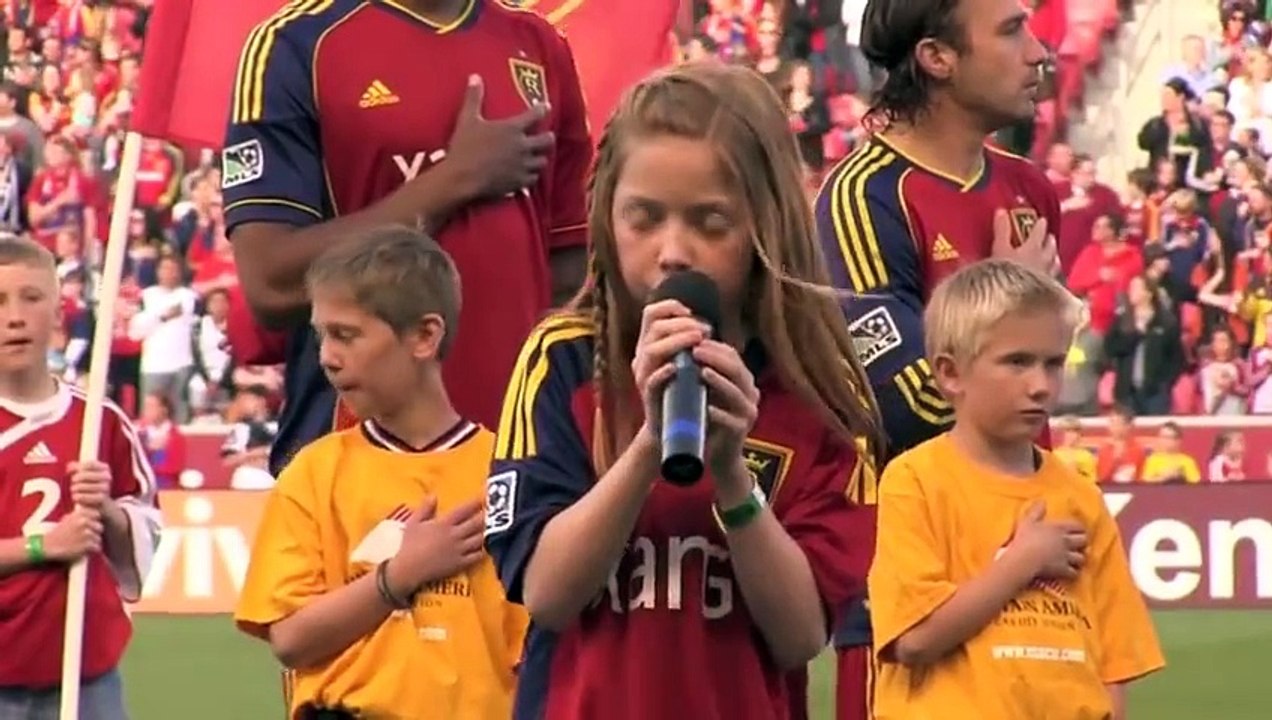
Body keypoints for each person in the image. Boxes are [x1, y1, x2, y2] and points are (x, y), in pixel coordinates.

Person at [483, 62, 881, 720]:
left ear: (767, 224)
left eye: (710, 222)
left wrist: (731, 475)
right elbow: (548, 593)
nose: (673, 251)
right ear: (605, 216)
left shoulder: (821, 393)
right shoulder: (562, 361)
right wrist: (646, 446)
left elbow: (801, 635)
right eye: (643, 218)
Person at [812, 0, 1062, 711]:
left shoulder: (1030, 189)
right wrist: (1010, 301)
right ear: (937, 58)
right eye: (1013, 31)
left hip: (1037, 566)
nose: (1040, 52)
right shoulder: (862, 198)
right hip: (916, 594)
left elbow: (1035, 386)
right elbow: (907, 403)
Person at [222, 0, 592, 475]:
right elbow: (270, 281)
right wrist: (453, 180)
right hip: (356, 464)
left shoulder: (540, 42)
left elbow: (572, 275)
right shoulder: (294, 44)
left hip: (518, 458)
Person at [234, 226, 527, 718]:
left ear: (424, 336)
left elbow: (531, 649)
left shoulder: (506, 474)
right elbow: (288, 638)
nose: (327, 356)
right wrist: (398, 577)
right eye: (320, 335)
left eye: (345, 335)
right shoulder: (314, 473)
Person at [868, 258, 1165, 719]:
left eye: (1053, 364)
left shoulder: (1080, 497)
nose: (1042, 386)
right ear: (950, 374)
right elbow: (915, 639)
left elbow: (1113, 663)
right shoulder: (916, 481)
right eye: (1017, 362)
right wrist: (1022, 561)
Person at [0, 238, 161, 719]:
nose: (14, 316)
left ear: (57, 312)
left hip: (84, 675)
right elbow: (52, 544)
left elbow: (145, 523)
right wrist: (43, 546)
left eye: (32, 298)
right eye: (0, 301)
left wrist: (108, 512)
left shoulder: (100, 422)